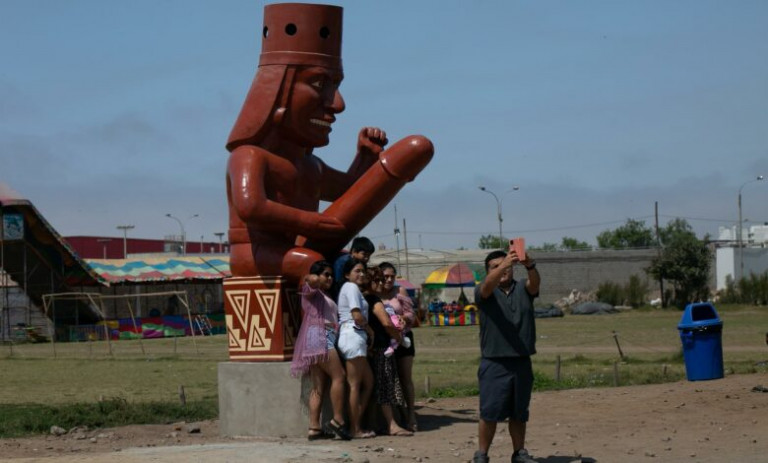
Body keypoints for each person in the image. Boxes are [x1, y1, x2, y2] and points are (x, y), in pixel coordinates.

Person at [225, 3, 433, 287]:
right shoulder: (248, 156)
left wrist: (364, 159)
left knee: (343, 265)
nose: (338, 103)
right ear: (277, 92)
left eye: (335, 86)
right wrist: (313, 222)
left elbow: (348, 191)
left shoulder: (312, 166)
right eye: (320, 84)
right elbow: (251, 206)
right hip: (254, 254)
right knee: (314, 265)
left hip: (297, 249)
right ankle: (318, 328)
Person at [472, 249, 541, 463]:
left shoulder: (522, 288)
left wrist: (530, 265)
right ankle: (482, 455)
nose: (503, 270)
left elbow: (535, 284)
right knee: (489, 412)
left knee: (519, 412)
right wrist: (503, 265)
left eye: (507, 266)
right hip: (494, 362)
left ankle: (519, 452)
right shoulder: (484, 292)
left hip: (521, 360)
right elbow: (486, 287)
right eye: (495, 267)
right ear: (488, 271)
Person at [290, 260, 351, 441]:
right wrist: (315, 277)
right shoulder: (313, 293)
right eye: (327, 274)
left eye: (332, 275)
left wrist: (322, 279)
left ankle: (314, 427)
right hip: (321, 335)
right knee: (339, 376)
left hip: (317, 337)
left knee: (318, 386)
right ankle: (338, 420)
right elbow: (309, 280)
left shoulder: (323, 295)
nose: (330, 278)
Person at [365, 266, 413, 437]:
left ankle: (372, 424)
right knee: (385, 386)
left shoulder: (366, 299)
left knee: (378, 386)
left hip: (376, 347)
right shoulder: (374, 301)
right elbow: (386, 324)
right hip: (381, 347)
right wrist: (398, 337)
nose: (381, 283)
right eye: (377, 280)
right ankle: (392, 425)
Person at [336, 258, 376, 439]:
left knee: (368, 382)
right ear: (347, 274)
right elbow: (357, 314)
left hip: (354, 336)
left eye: (363, 271)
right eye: (357, 271)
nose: (361, 274)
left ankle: (355, 422)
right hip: (353, 334)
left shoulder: (352, 289)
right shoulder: (351, 287)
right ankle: (355, 429)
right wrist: (370, 331)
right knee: (355, 385)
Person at [378, 262, 418, 431]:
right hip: (385, 341)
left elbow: (411, 312)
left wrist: (405, 319)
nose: (388, 279)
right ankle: (395, 416)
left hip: (403, 338)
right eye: (385, 276)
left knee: (405, 378)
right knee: (389, 379)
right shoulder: (374, 293)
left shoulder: (399, 292)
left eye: (391, 276)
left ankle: (411, 414)